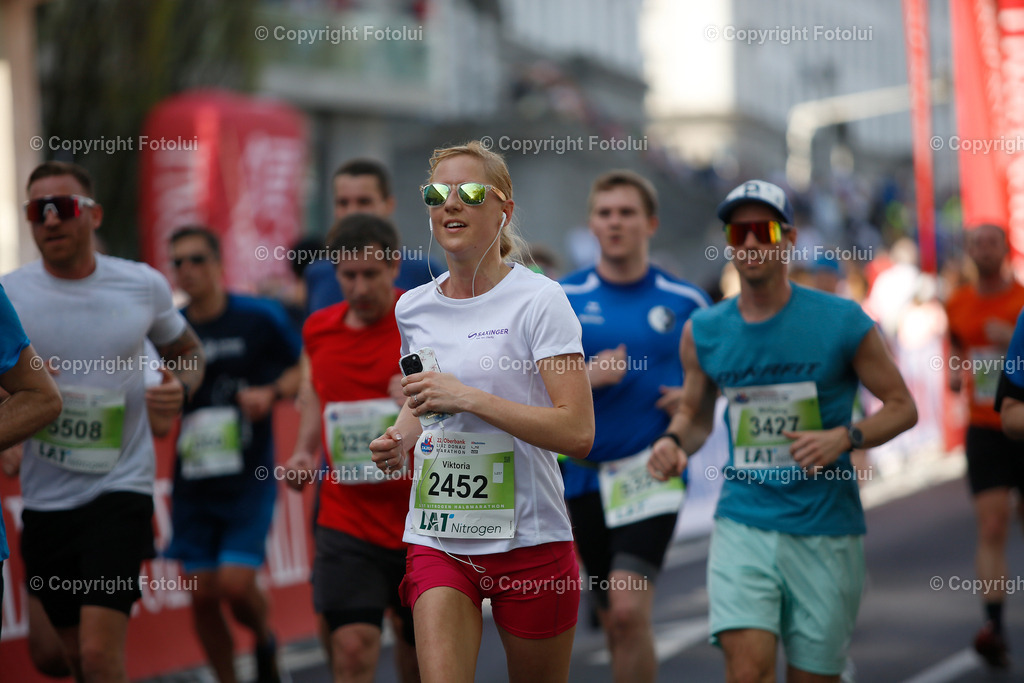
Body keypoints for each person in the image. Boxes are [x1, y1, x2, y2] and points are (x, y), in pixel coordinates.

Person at [648, 179, 918, 682]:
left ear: (788, 238)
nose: (750, 243)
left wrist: (846, 437)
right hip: (744, 519)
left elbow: (903, 407)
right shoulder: (704, 331)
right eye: (738, 232)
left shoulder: (842, 321)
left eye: (763, 230)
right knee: (746, 669)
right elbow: (696, 416)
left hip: (826, 527)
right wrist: (671, 443)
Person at [368, 141, 595, 683]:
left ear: (504, 211)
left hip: (530, 538)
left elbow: (578, 431)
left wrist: (468, 397)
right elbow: (424, 401)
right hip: (440, 534)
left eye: (470, 192)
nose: (451, 204)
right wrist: (399, 438)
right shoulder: (412, 306)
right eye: (436, 193)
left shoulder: (541, 300)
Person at [1, 160, 205, 682]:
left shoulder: (141, 285)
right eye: (36, 211)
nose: (49, 220)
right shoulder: (10, 294)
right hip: (45, 498)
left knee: (95, 654)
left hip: (121, 489)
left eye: (63, 208)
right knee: (63, 658)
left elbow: (186, 351)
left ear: (93, 215)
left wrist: (177, 389)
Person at [559, 170, 710, 682]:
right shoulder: (561, 296)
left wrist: (697, 394)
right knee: (609, 615)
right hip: (581, 474)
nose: (615, 222)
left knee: (627, 610)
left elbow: (720, 378)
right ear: (591, 224)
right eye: (605, 213)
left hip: (651, 470)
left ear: (651, 223)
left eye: (627, 213)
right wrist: (587, 376)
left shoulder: (686, 301)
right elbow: (530, 383)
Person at [285, 213, 419, 683]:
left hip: (420, 518)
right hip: (347, 516)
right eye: (348, 275)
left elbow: (468, 395)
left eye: (371, 274)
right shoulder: (318, 329)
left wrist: (421, 392)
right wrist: (304, 451)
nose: (359, 287)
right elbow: (316, 396)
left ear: (393, 266)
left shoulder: (423, 321)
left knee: (418, 654)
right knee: (352, 646)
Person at [164, 226, 300, 683]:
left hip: (248, 477)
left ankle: (263, 637)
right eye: (178, 262)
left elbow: (302, 370)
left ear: (220, 264)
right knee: (202, 595)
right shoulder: (173, 330)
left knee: (236, 586)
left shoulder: (259, 317)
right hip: (194, 481)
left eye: (197, 259)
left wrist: (269, 392)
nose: (187, 270)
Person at [945, 223, 1024, 668]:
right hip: (984, 425)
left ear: (1004, 249)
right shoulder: (957, 302)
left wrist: (1010, 337)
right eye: (976, 243)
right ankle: (993, 625)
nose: (983, 250)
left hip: (1023, 425)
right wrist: (957, 374)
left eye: (991, 242)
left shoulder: (1022, 303)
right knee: (992, 527)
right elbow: (955, 348)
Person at [0, 284, 63, 640]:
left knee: (88, 654)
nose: (51, 223)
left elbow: (41, 396)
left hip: (111, 492)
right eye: (37, 220)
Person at [305, 158, 444, 313]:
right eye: (343, 203)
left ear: (388, 205)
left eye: (364, 202)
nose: (352, 212)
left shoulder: (425, 272)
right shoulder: (317, 274)